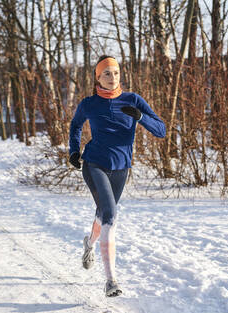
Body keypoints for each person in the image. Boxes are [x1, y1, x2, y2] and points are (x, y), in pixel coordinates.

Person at [68, 55, 166, 297]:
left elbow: (161, 130)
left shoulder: (133, 100)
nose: (113, 78)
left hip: (121, 167)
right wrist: (73, 150)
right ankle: (111, 281)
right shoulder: (89, 103)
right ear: (97, 78)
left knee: (103, 215)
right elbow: (75, 126)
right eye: (107, 74)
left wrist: (141, 117)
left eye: (116, 73)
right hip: (94, 165)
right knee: (110, 214)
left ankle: (89, 244)